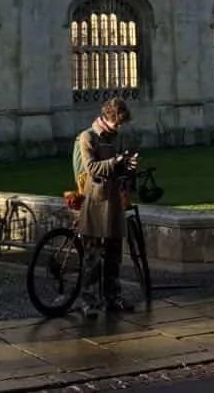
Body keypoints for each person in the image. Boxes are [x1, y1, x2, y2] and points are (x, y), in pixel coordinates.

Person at [74, 97, 138, 319]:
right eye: (116, 124)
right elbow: (91, 168)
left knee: (114, 255)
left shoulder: (115, 138)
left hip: (114, 201)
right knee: (92, 257)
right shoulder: (87, 137)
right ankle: (88, 300)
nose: (118, 128)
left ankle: (113, 297)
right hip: (96, 202)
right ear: (106, 118)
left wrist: (128, 167)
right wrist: (115, 163)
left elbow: (119, 170)